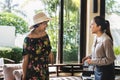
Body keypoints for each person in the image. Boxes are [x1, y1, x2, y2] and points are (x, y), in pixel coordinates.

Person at [22, 12, 54, 80]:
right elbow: (25, 59)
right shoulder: (28, 39)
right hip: (32, 73)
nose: (47, 25)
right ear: (38, 24)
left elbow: (49, 49)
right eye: (45, 23)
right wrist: (24, 76)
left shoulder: (45, 35)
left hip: (44, 71)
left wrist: (51, 57)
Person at [82, 16, 116, 80]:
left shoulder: (106, 40)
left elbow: (110, 59)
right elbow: (99, 53)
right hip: (97, 70)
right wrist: (89, 56)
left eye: (92, 24)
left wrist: (92, 61)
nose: (90, 26)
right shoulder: (96, 37)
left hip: (106, 73)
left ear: (99, 27)